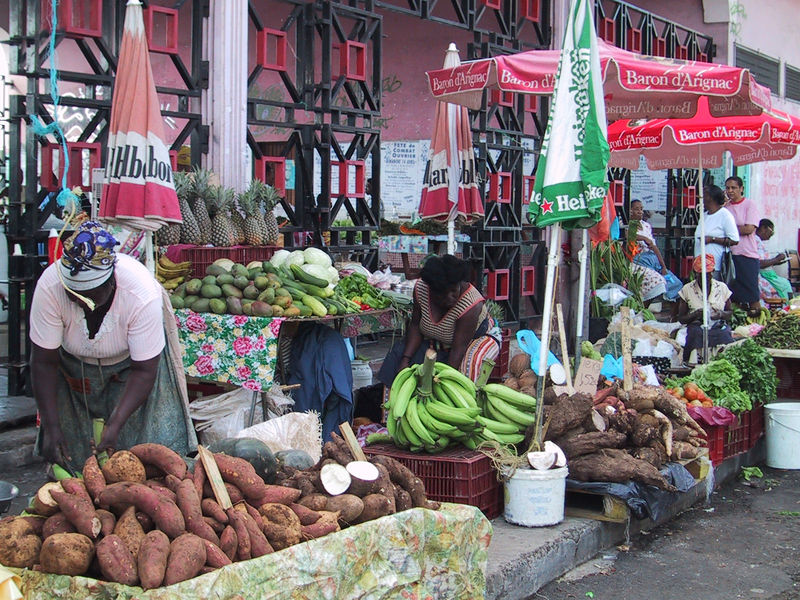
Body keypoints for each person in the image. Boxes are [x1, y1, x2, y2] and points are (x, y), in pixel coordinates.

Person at [29, 221, 197, 468]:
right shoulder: (50, 287)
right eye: (73, 293)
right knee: (73, 458)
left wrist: (115, 423)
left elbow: (144, 370)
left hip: (133, 370)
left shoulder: (140, 293)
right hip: (75, 371)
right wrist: (51, 426)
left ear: (111, 283)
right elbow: (43, 363)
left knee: (147, 456)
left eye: (89, 294)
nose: (81, 301)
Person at [377, 254, 500, 386]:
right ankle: (389, 404)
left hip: (473, 340)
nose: (450, 297)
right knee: (397, 356)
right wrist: (405, 360)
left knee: (466, 373)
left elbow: (458, 349)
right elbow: (415, 325)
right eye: (442, 293)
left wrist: (442, 381)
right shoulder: (421, 290)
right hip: (436, 339)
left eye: (453, 291)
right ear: (431, 290)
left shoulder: (471, 305)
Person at [675, 254, 734, 364]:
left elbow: (730, 312)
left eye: (708, 274)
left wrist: (720, 314)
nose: (705, 278)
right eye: (701, 275)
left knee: (724, 334)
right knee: (696, 334)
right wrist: (696, 314)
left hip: (717, 325)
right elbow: (681, 318)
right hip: (697, 325)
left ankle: (721, 362)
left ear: (712, 273)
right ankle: (693, 363)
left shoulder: (722, 288)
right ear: (695, 274)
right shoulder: (687, 289)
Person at [629, 200, 682, 301]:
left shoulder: (646, 226)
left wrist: (663, 266)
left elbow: (653, 246)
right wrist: (644, 238)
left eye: (641, 209)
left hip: (653, 257)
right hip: (640, 260)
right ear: (630, 211)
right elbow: (628, 236)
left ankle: (673, 314)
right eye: (636, 209)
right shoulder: (628, 225)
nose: (640, 212)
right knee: (657, 283)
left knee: (676, 284)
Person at [724, 176, 762, 316]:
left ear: (741, 188)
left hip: (747, 255)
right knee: (733, 295)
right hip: (730, 255)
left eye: (734, 187)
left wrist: (730, 230)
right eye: (727, 188)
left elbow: (749, 229)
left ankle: (757, 322)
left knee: (751, 294)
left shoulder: (749, 205)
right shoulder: (725, 207)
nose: (730, 191)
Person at [694, 185, 739, 280]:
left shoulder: (724, 215)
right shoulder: (705, 215)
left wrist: (712, 239)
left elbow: (734, 240)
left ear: (711, 197)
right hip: (700, 265)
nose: (700, 197)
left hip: (715, 266)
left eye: (704, 194)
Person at [755, 219, 794, 303]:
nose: (772, 234)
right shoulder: (755, 240)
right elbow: (760, 263)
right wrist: (777, 259)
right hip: (761, 276)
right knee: (784, 285)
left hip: (767, 274)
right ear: (763, 228)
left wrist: (777, 261)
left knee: (785, 283)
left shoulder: (759, 241)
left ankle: (789, 306)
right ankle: (787, 306)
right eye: (771, 230)